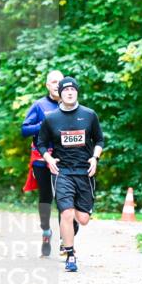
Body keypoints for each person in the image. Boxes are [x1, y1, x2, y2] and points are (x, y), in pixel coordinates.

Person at [36, 76, 104, 273]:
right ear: (60, 93)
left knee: (82, 219)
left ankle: (72, 221)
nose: (69, 93)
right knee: (66, 212)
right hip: (62, 171)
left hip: (84, 172)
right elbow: (40, 143)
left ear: (77, 92)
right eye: (65, 90)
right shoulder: (51, 118)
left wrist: (94, 158)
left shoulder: (89, 115)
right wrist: (48, 159)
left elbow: (99, 140)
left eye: (72, 90)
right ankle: (70, 254)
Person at [21, 69, 63, 256]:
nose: (57, 85)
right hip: (41, 157)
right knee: (46, 197)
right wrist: (42, 124)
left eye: (59, 82)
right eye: (53, 82)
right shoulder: (39, 105)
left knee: (64, 198)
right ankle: (46, 232)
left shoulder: (70, 105)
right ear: (47, 85)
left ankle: (65, 239)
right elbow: (24, 130)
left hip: (64, 158)